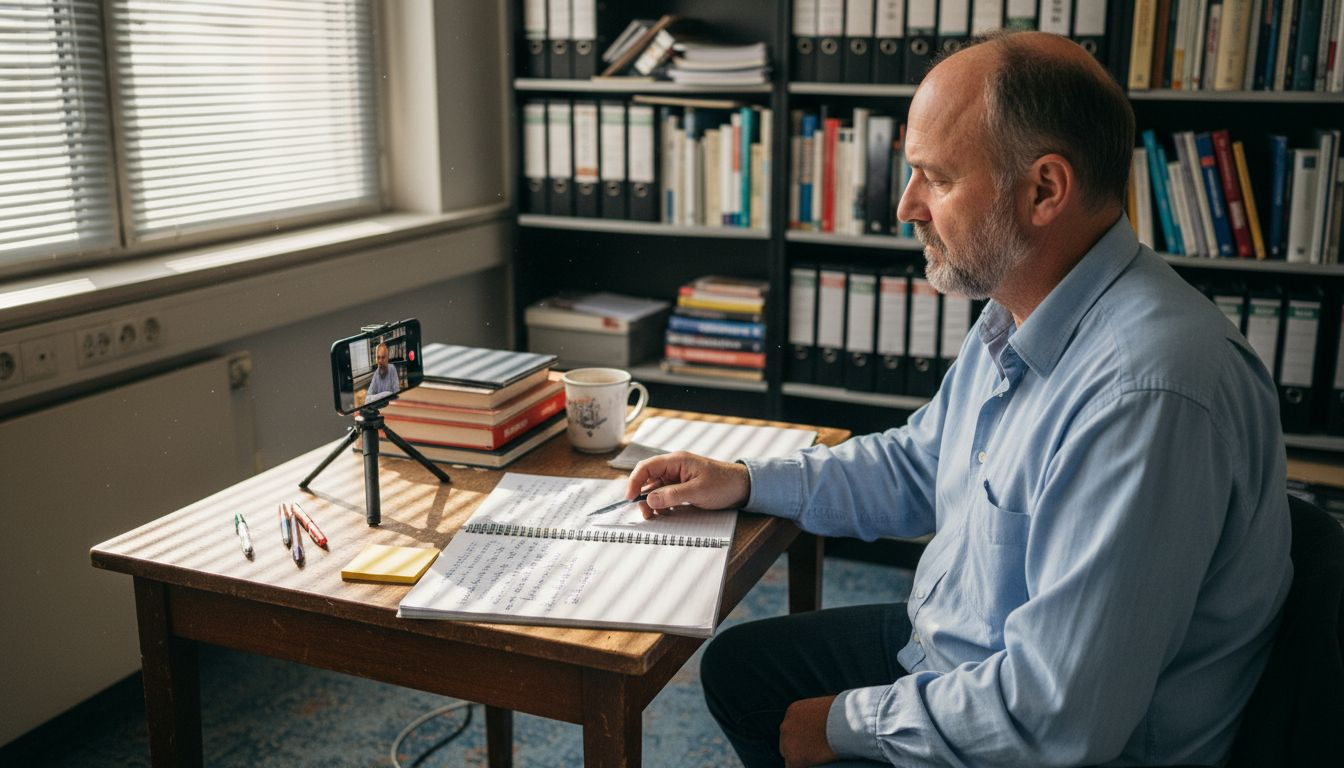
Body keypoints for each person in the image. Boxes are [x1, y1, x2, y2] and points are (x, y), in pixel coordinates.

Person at [624, 31, 1292, 768]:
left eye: (934, 178)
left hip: (1062, 740)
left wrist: (846, 724)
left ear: (1044, 190)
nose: (905, 205)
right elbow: (920, 462)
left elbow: (1055, 719)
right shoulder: (1020, 305)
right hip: (963, 653)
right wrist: (749, 481)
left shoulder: (1146, 397)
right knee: (740, 671)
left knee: (797, 720)